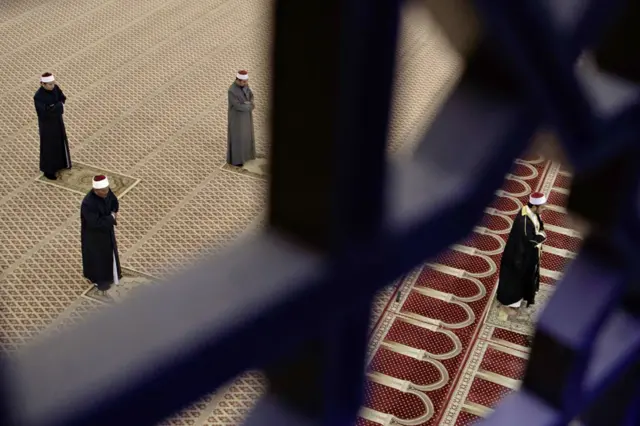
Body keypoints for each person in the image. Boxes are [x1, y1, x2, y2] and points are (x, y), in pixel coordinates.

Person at [496, 191, 547, 317]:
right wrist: (541, 236)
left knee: (525, 278)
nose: (544, 208)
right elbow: (530, 239)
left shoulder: (531, 213)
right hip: (518, 257)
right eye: (542, 207)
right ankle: (507, 304)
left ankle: (520, 299)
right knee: (514, 281)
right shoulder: (523, 220)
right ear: (534, 207)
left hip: (526, 254)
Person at [81, 175, 122, 295]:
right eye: (103, 191)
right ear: (96, 190)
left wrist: (114, 213)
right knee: (97, 257)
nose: (106, 193)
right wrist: (111, 218)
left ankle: (112, 274)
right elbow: (93, 222)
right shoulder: (88, 203)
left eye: (107, 189)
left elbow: (114, 202)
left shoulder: (107, 193)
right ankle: (99, 280)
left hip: (106, 231)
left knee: (109, 253)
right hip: (94, 236)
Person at [34, 72, 71, 180]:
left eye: (53, 83)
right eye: (49, 84)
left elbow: (62, 98)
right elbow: (43, 112)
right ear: (43, 84)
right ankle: (48, 171)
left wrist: (55, 106)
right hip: (47, 125)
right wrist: (56, 106)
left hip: (57, 121)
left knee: (59, 142)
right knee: (49, 147)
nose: (52, 86)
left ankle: (61, 164)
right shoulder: (38, 96)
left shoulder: (55, 89)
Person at [227, 69, 256, 167]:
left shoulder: (246, 86)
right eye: (244, 81)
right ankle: (237, 160)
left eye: (246, 81)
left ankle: (247, 156)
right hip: (237, 119)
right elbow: (237, 106)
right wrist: (249, 106)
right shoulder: (232, 90)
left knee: (246, 135)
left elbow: (251, 96)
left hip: (246, 116)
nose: (246, 83)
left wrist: (248, 103)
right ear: (238, 80)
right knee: (238, 138)